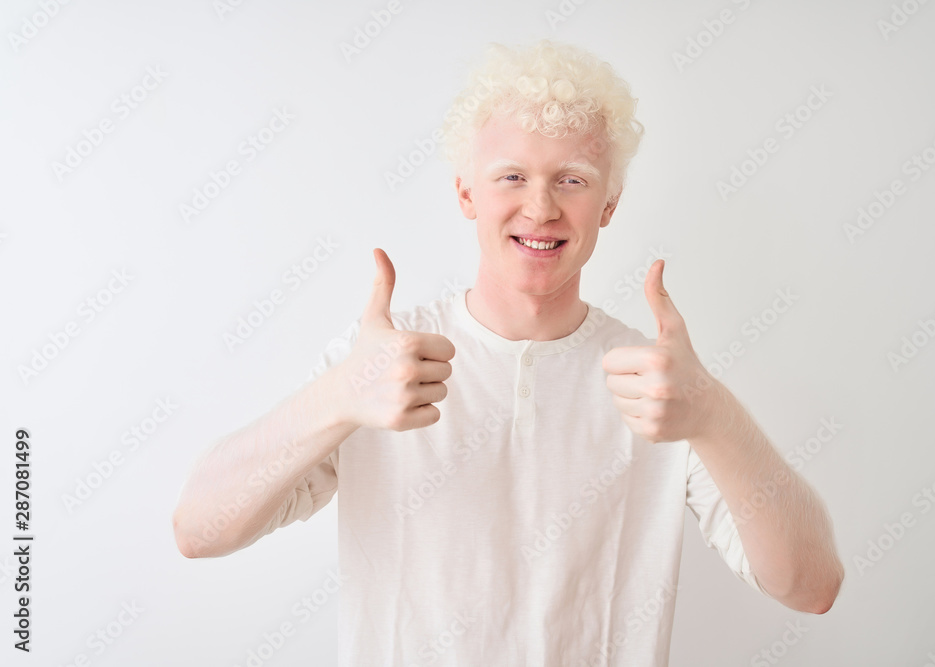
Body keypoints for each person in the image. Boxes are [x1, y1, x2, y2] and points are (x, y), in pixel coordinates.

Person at [172, 39, 844, 665]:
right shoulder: (379, 364)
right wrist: (340, 395)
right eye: (512, 176)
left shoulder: (661, 388)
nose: (541, 207)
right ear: (466, 191)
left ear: (610, 203)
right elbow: (199, 531)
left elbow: (812, 586)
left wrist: (715, 413)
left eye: (573, 179)